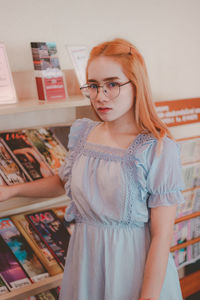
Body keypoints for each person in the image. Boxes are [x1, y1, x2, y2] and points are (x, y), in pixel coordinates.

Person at [0, 38, 185, 300]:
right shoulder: (84, 133)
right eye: (94, 86)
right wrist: (11, 192)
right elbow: (64, 181)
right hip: (85, 261)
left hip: (132, 269)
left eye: (112, 84)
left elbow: (161, 236)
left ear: (137, 84)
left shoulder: (157, 148)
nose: (100, 96)